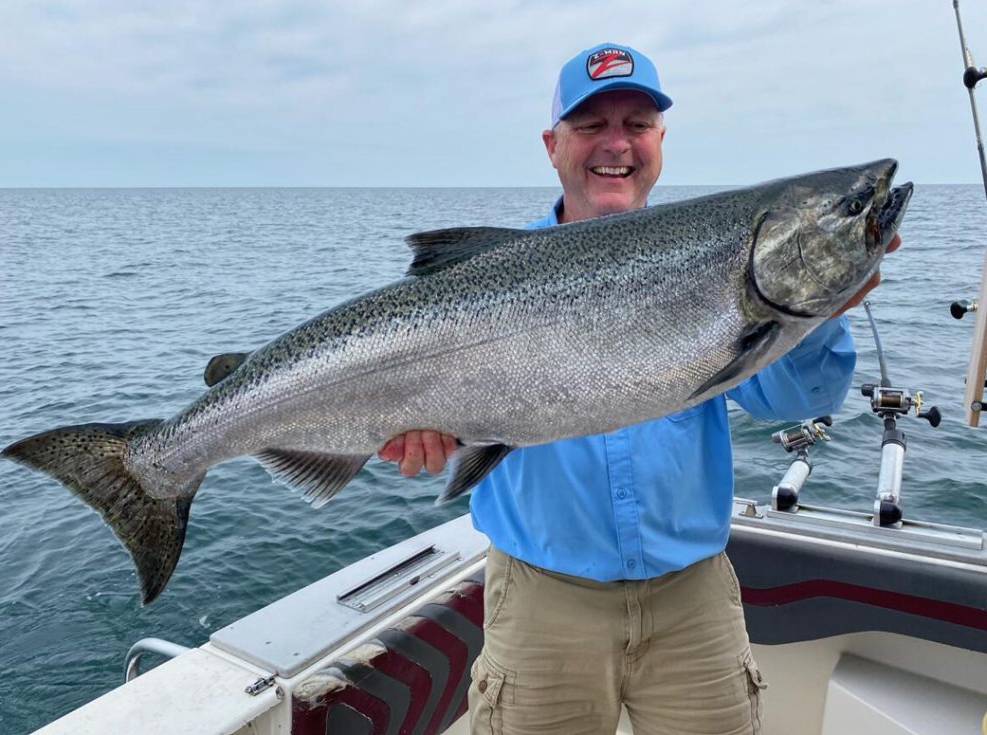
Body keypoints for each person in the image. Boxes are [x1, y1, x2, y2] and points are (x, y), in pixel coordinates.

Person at [379, 42, 900, 734]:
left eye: (637, 123)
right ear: (553, 144)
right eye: (591, 125)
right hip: (541, 603)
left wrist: (819, 314)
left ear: (660, 141)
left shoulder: (720, 265)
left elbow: (796, 403)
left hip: (694, 600)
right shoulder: (497, 270)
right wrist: (422, 432)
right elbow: (432, 420)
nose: (615, 144)